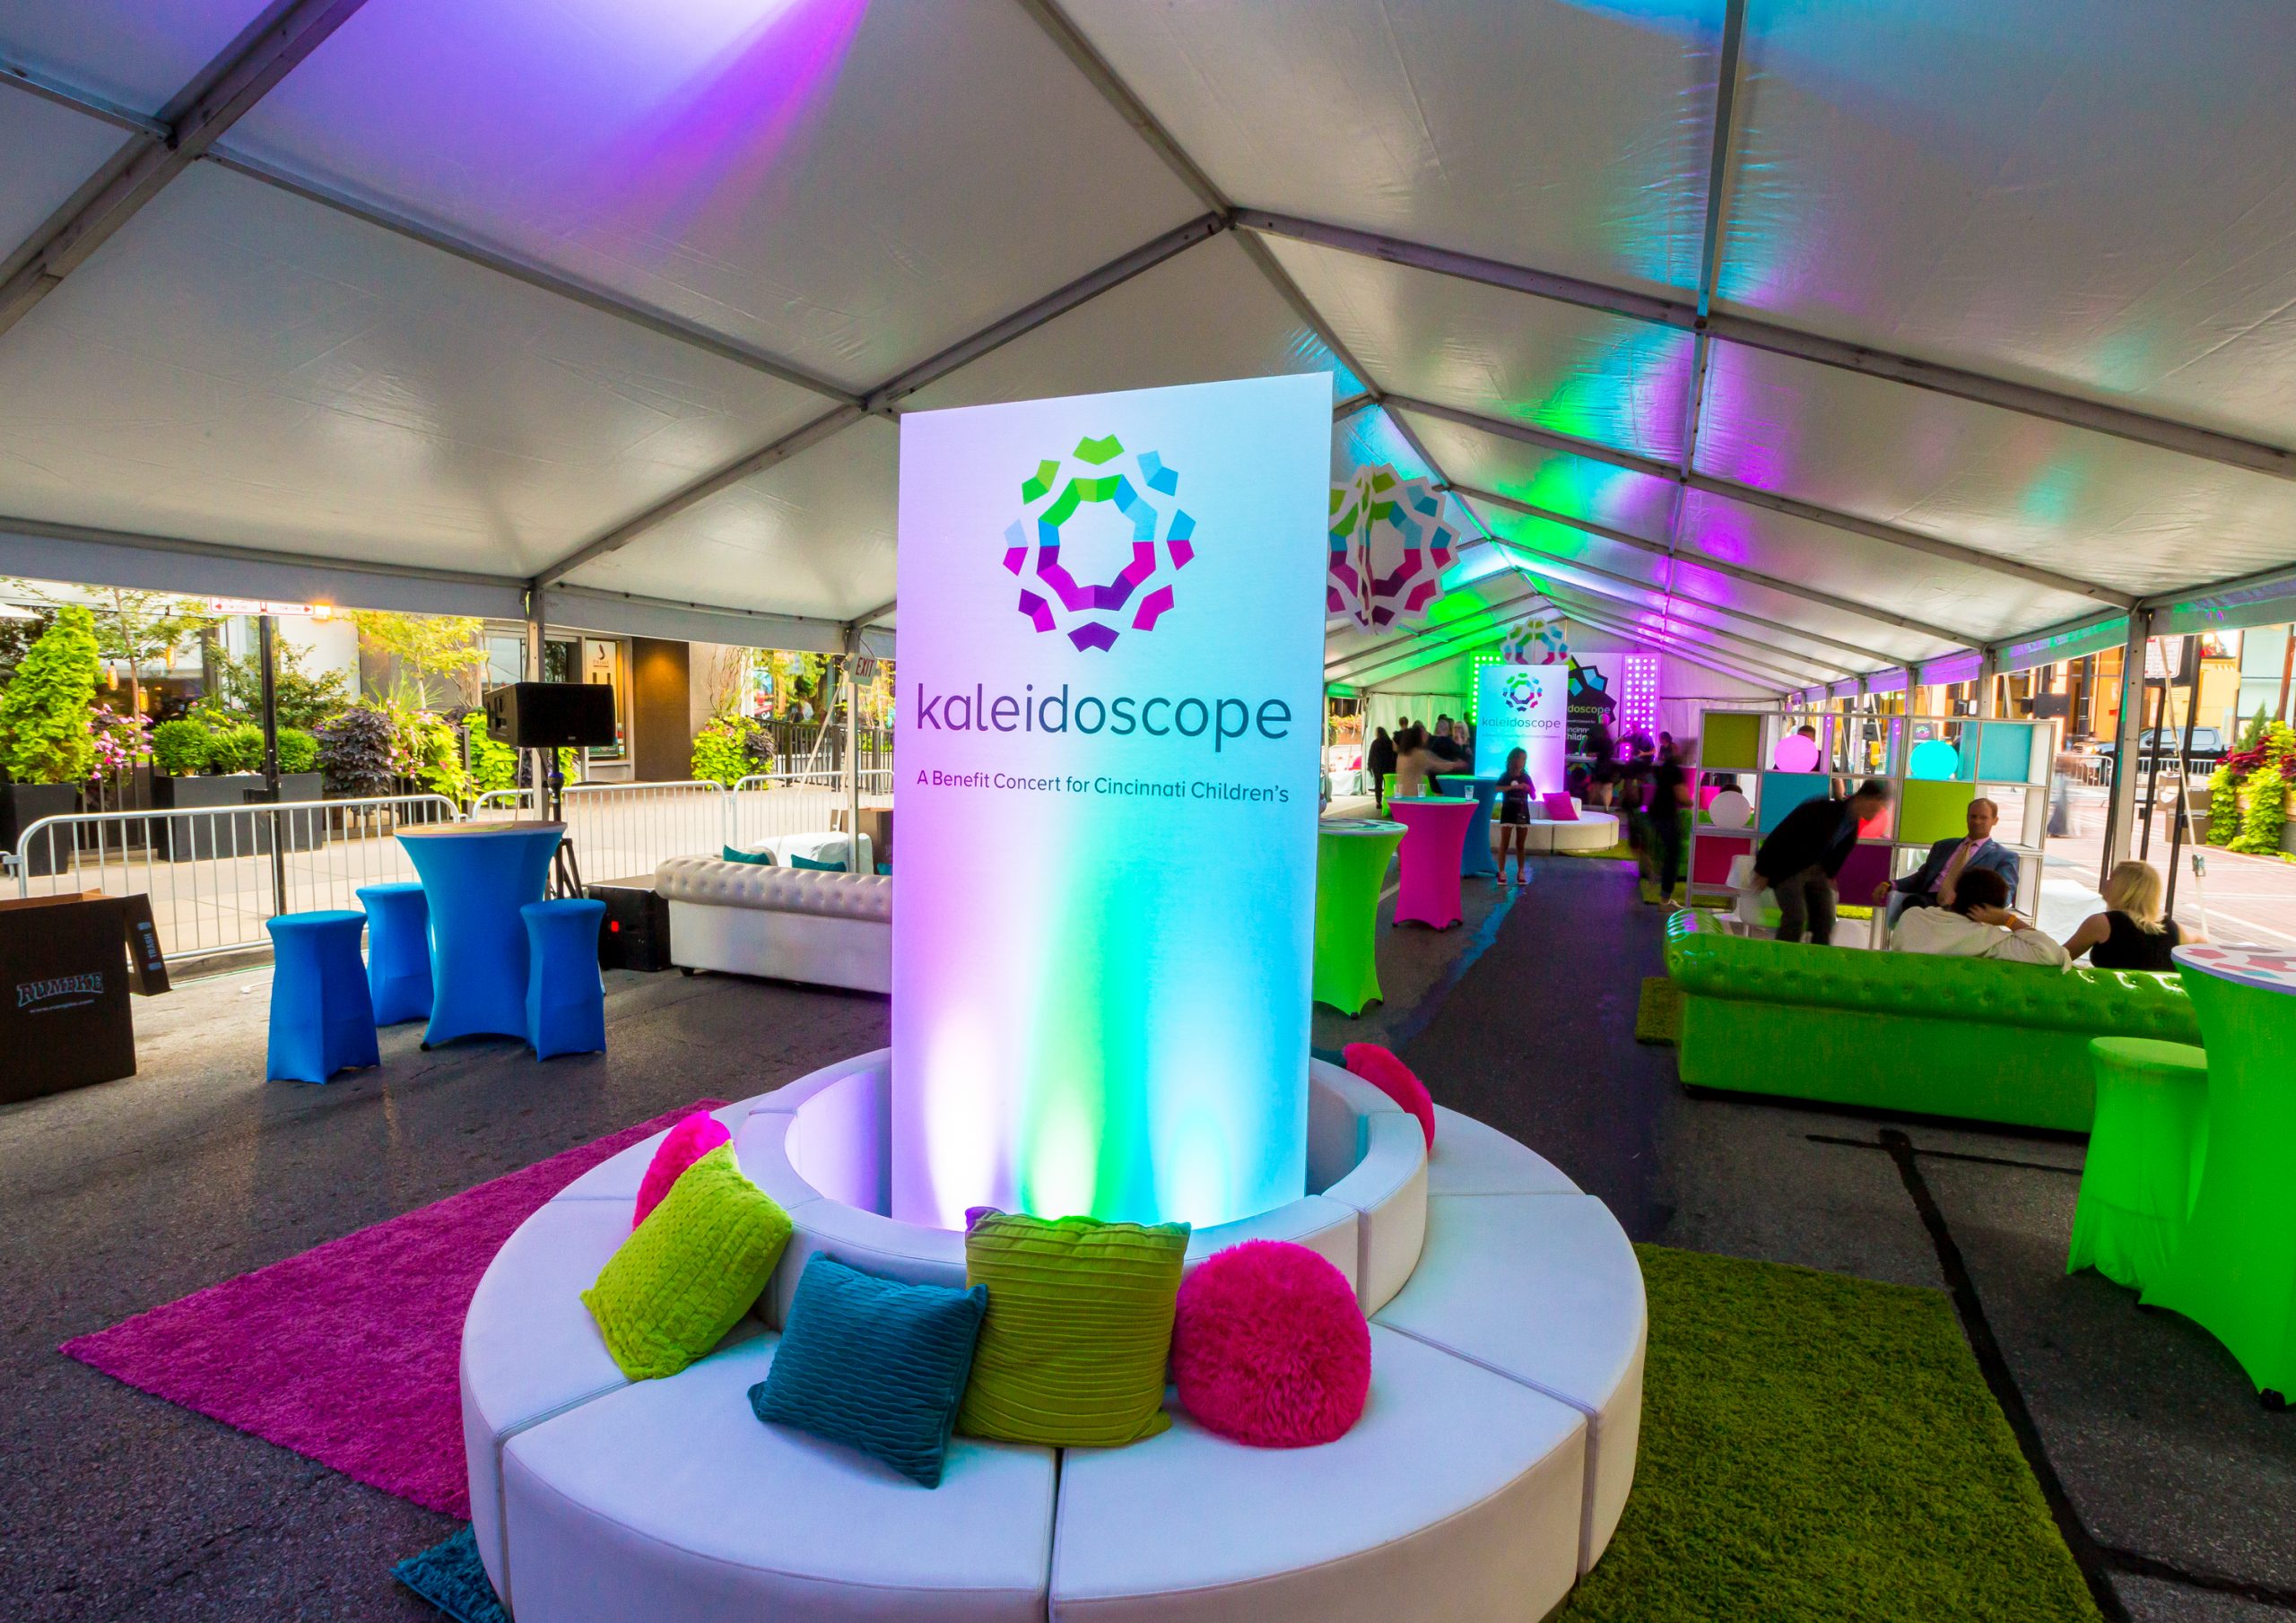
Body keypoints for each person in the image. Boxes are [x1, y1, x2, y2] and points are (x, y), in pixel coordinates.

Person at [1751, 778, 1892, 944]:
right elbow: (1781, 835)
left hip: (1816, 871)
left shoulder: (1851, 825)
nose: (1878, 813)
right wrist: (1763, 870)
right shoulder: (1821, 810)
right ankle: (1783, 956)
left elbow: (1836, 853)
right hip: (1788, 868)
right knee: (1796, 917)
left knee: (1825, 919)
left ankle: (1816, 956)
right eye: (1877, 807)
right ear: (1865, 799)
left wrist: (1829, 875)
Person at [1873, 797, 2019, 925]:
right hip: (1927, 902)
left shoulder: (2004, 856)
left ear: (1995, 820)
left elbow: (2005, 895)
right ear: (1967, 818)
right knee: (1913, 904)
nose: (1977, 821)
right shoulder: (1943, 846)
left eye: (1983, 818)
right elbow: (1921, 877)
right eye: (1973, 816)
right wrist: (1890, 884)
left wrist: (1987, 909)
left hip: (1964, 908)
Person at [1891, 868, 2069, 967]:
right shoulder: (1989, 940)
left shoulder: (1911, 917)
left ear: (1954, 895)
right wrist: (2008, 920)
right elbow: (2053, 954)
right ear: (1992, 910)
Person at [2064, 860, 2202, 970]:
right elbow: (2200, 942)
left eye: (2111, 878)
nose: (2105, 882)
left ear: (2123, 887)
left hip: (2115, 995)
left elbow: (2061, 957)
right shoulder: (2174, 929)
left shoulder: (2102, 923)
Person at [1648, 740, 1690, 907]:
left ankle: (1653, 875)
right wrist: (1693, 802)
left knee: (1660, 850)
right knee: (1673, 855)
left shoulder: (1664, 767)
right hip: (1667, 816)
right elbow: (1682, 797)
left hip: (1655, 813)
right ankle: (1665, 900)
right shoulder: (1675, 771)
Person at [1495, 747, 1535, 885]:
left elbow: (1534, 796)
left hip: (1522, 812)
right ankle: (1501, 872)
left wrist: (1528, 789)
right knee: (1504, 843)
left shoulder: (1526, 777)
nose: (1523, 762)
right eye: (1521, 758)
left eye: (1525, 759)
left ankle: (1521, 872)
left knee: (1520, 844)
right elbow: (1497, 788)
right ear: (1513, 759)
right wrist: (1513, 787)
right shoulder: (1505, 776)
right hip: (1508, 811)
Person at [1390, 724, 1449, 800]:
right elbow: (1437, 765)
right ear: (1419, 737)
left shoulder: (1402, 754)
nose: (1427, 735)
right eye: (1424, 734)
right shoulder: (1418, 754)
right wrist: (1456, 764)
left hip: (1400, 796)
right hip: (1412, 797)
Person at [1367, 725, 1397, 812]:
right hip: (1388, 767)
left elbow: (1371, 755)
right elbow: (1394, 755)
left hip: (1377, 767)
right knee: (1388, 785)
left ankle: (1378, 802)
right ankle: (1388, 802)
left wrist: (1369, 765)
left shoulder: (1375, 743)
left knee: (1378, 785)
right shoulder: (1390, 742)